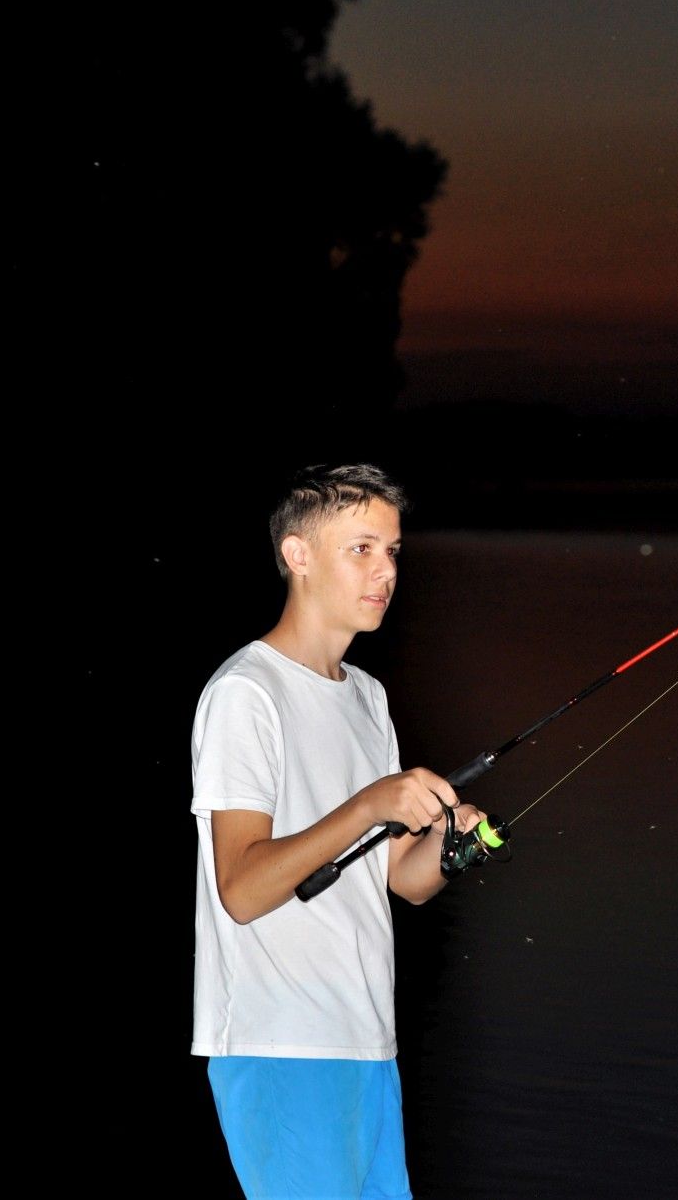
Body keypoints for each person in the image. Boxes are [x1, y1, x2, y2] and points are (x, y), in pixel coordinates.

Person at [191, 462, 482, 1200]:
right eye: (361, 548)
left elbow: (399, 884)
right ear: (297, 555)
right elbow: (244, 889)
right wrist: (368, 804)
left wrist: (450, 847)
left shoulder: (368, 699)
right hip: (281, 1043)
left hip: (364, 1042)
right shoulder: (244, 694)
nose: (385, 570)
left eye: (392, 551)